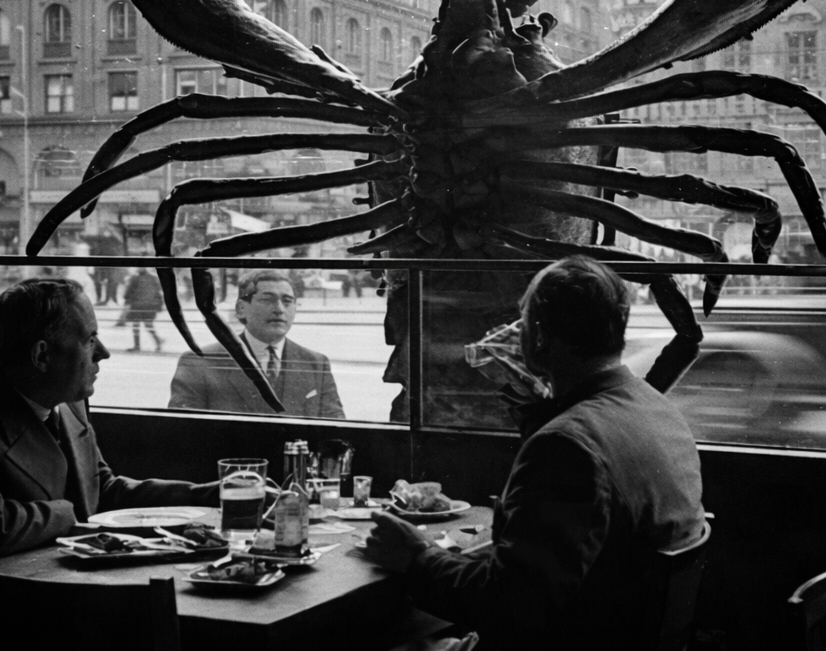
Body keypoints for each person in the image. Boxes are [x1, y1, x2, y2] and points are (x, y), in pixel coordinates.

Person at [360, 256, 708, 650]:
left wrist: (417, 558)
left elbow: (511, 606)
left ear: (538, 336)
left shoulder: (565, 446)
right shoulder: (656, 408)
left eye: (521, 321)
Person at [0, 277, 217, 560]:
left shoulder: (68, 402)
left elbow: (102, 491)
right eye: (90, 340)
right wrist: (70, 510)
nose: (104, 352)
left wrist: (209, 496)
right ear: (41, 356)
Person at [167, 269, 344, 417]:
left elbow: (337, 431)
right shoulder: (199, 363)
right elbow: (183, 434)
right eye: (267, 299)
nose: (279, 309)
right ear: (241, 309)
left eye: (287, 301)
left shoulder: (316, 363)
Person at [121, 267, 165, 353]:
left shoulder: (134, 278)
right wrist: (159, 306)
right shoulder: (153, 278)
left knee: (136, 326)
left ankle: (137, 346)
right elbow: (158, 292)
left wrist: (127, 299)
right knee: (149, 325)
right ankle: (158, 342)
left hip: (137, 305)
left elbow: (127, 293)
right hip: (151, 306)